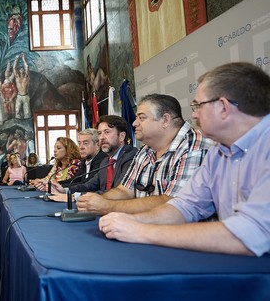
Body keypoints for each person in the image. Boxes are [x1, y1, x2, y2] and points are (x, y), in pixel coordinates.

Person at [99, 62, 270, 256]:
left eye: (198, 105)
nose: (194, 115)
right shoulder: (218, 152)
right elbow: (185, 206)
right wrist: (133, 221)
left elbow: (252, 234)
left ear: (223, 107)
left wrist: (142, 231)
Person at [77, 93, 212, 215]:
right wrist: (94, 201)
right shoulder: (146, 150)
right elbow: (125, 190)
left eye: (141, 118)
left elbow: (173, 203)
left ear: (165, 120)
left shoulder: (193, 146)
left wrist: (107, 206)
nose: (134, 123)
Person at [49, 116, 138, 201]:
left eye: (107, 132)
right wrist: (65, 190)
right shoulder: (106, 161)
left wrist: (76, 196)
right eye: (99, 133)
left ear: (121, 136)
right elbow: (89, 185)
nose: (102, 137)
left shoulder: (130, 157)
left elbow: (118, 193)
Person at [13, 53, 31, 119]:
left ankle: (27, 122)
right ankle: (17, 121)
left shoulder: (26, 78)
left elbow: (27, 67)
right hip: (19, 96)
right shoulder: (17, 78)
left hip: (25, 96)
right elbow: (14, 68)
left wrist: (23, 59)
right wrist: (16, 59)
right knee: (17, 110)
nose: (21, 69)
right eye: (20, 69)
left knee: (27, 112)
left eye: (22, 69)